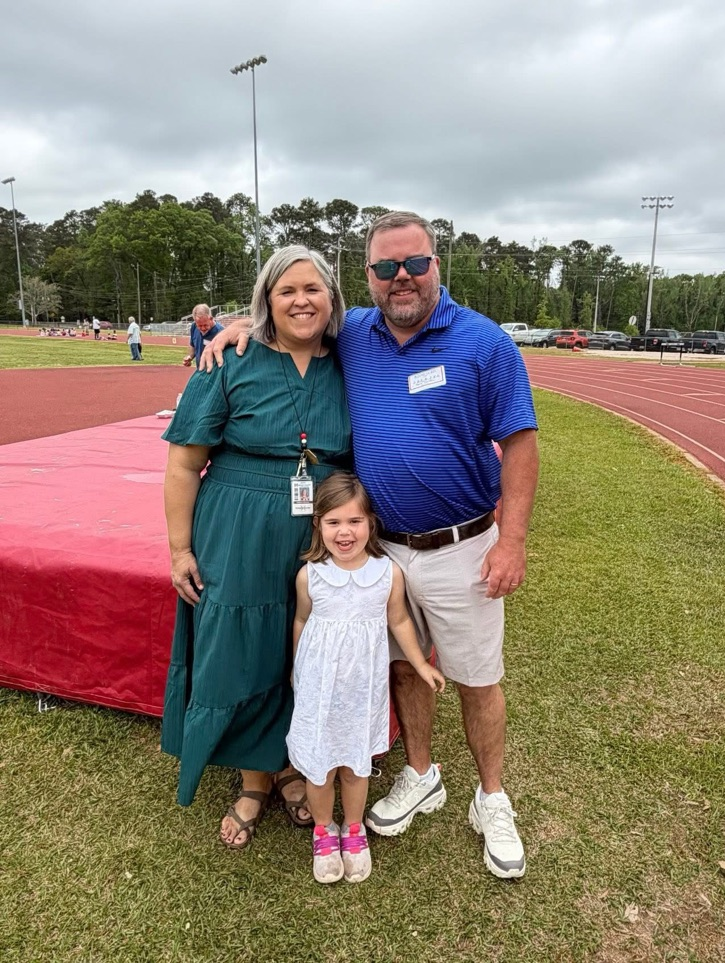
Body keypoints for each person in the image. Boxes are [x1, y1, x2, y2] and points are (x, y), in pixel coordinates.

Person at [202, 211, 539, 879]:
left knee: (475, 677)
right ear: (368, 278)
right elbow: (289, 319)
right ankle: (420, 772)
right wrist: (239, 327)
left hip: (462, 543)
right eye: (386, 268)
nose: (402, 278)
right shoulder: (354, 332)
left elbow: (522, 444)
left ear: (437, 263)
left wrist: (514, 541)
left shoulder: (484, 343)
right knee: (406, 667)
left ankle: (493, 797)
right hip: (382, 547)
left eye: (414, 263)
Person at [161, 245, 352, 851]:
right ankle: (253, 781)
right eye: (286, 290)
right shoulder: (230, 360)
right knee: (244, 646)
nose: (301, 300)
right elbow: (185, 461)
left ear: (332, 298)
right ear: (266, 300)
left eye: (313, 289)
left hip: (322, 529)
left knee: (304, 646)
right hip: (238, 527)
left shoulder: (351, 361)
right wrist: (179, 549)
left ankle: (294, 765)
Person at [288, 472, 445, 884]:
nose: (345, 532)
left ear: (370, 524)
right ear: (318, 525)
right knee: (320, 766)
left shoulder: (386, 573)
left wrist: (422, 662)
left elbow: (400, 621)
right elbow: (302, 622)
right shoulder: (311, 575)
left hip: (361, 691)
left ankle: (353, 828)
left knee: (356, 766)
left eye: (354, 521)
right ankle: (325, 830)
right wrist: (296, 669)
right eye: (333, 522)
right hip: (320, 688)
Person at [183, 304, 225, 368]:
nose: (203, 328)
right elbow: (193, 345)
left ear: (211, 318)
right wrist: (190, 357)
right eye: (199, 326)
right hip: (200, 370)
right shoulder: (194, 326)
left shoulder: (221, 332)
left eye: (205, 325)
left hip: (214, 372)